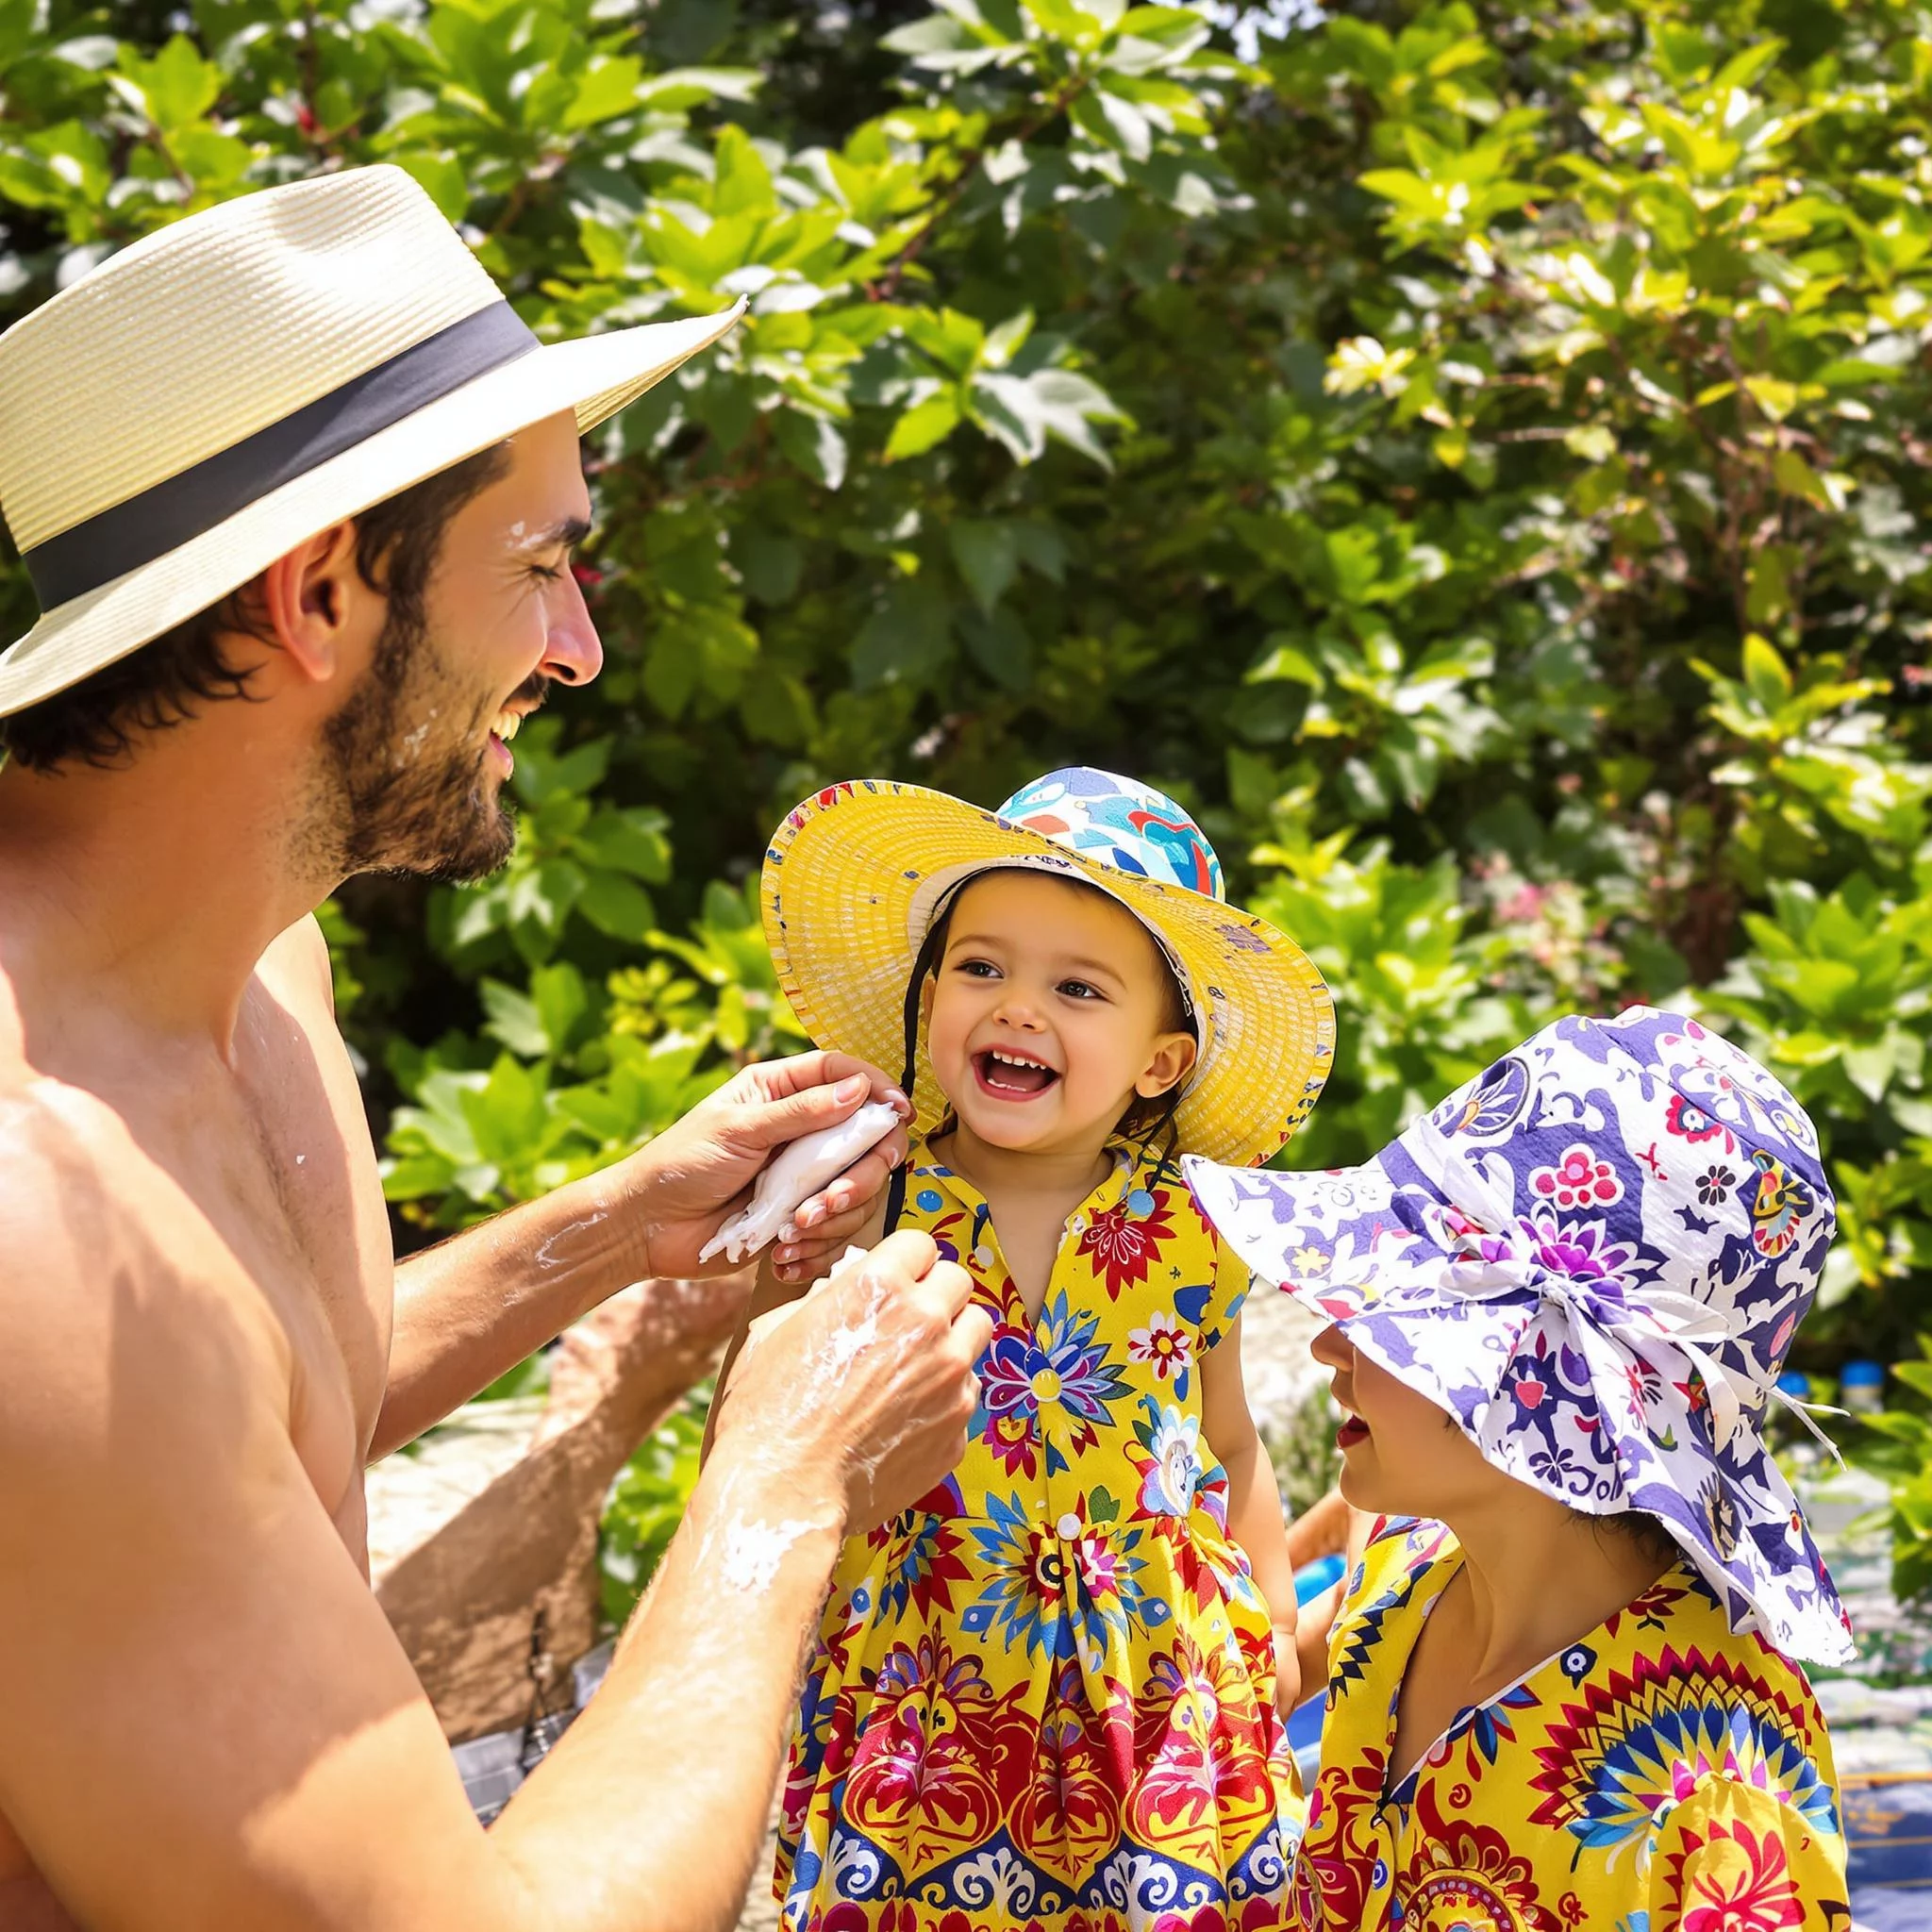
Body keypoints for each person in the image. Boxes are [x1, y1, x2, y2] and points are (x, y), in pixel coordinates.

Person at [0, 165, 993, 1931]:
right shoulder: (34, 1216)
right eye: (537, 565)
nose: (583, 650)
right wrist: (781, 1486)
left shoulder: (261, 956)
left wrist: (609, 1228)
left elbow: (235, 1444)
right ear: (316, 599)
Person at [708, 766, 1340, 1930]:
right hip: (924, 1678)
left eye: (1078, 987)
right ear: (930, 993)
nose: (1017, 1007)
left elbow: (1232, 1439)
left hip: (1158, 1684)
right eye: (982, 967)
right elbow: (765, 1409)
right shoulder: (876, 1194)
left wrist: (1268, 1606)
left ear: (1159, 1060)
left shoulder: (1193, 1225)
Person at [1185, 1007, 1853, 1932]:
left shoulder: (1716, 1794)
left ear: (1533, 1374)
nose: (1328, 1343)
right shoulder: (1398, 1585)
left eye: (1387, 1313)